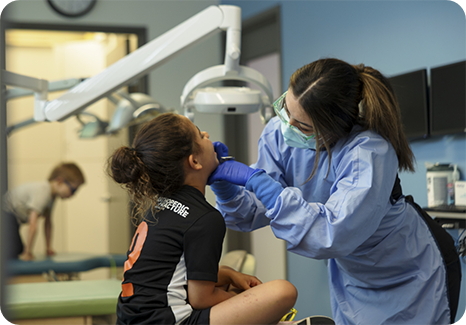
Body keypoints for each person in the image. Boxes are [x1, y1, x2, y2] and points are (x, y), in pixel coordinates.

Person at [208, 58, 461, 325]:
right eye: (285, 110)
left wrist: (261, 184)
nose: (287, 126)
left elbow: (333, 233)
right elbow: (254, 212)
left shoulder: (368, 151)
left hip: (411, 271)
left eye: (303, 126)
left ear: (334, 129)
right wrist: (227, 191)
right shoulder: (280, 133)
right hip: (354, 274)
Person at [107, 112, 300, 325]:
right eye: (200, 135)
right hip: (168, 321)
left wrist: (228, 274)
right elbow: (201, 298)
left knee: (231, 286)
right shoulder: (205, 218)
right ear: (195, 161)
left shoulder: (160, 206)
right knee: (282, 292)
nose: (207, 135)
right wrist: (258, 310)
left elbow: (174, 275)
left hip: (131, 320)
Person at [4, 162, 85, 261]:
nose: (73, 195)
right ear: (59, 181)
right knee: (13, 249)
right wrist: (27, 252)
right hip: (5, 213)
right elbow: (33, 224)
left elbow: (48, 223)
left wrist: (48, 248)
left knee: (15, 249)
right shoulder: (44, 191)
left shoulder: (52, 197)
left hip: (11, 218)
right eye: (73, 190)